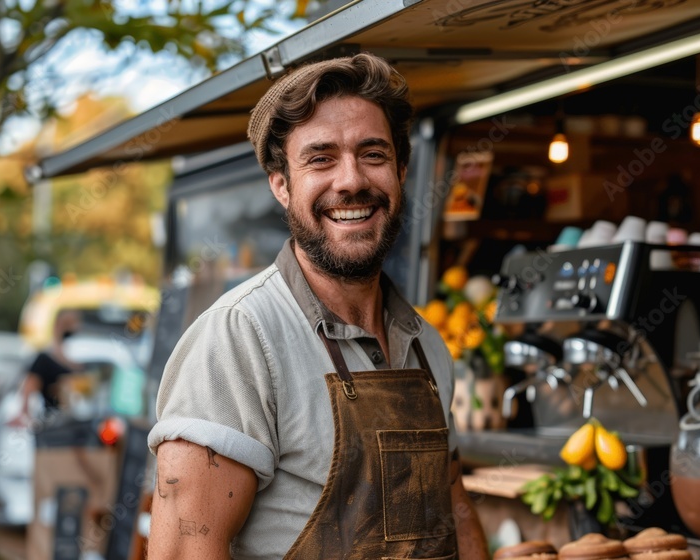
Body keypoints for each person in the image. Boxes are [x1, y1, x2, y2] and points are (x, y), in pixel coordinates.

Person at [147, 53, 488, 559]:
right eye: (321, 158)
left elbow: (454, 512)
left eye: (373, 154)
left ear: (401, 169)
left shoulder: (425, 346)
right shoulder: (241, 338)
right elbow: (183, 550)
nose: (351, 181)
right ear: (282, 185)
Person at [19, 309, 82, 418]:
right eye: (66, 324)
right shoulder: (46, 360)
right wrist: (24, 411)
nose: (71, 328)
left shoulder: (82, 355)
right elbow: (30, 384)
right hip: (55, 419)